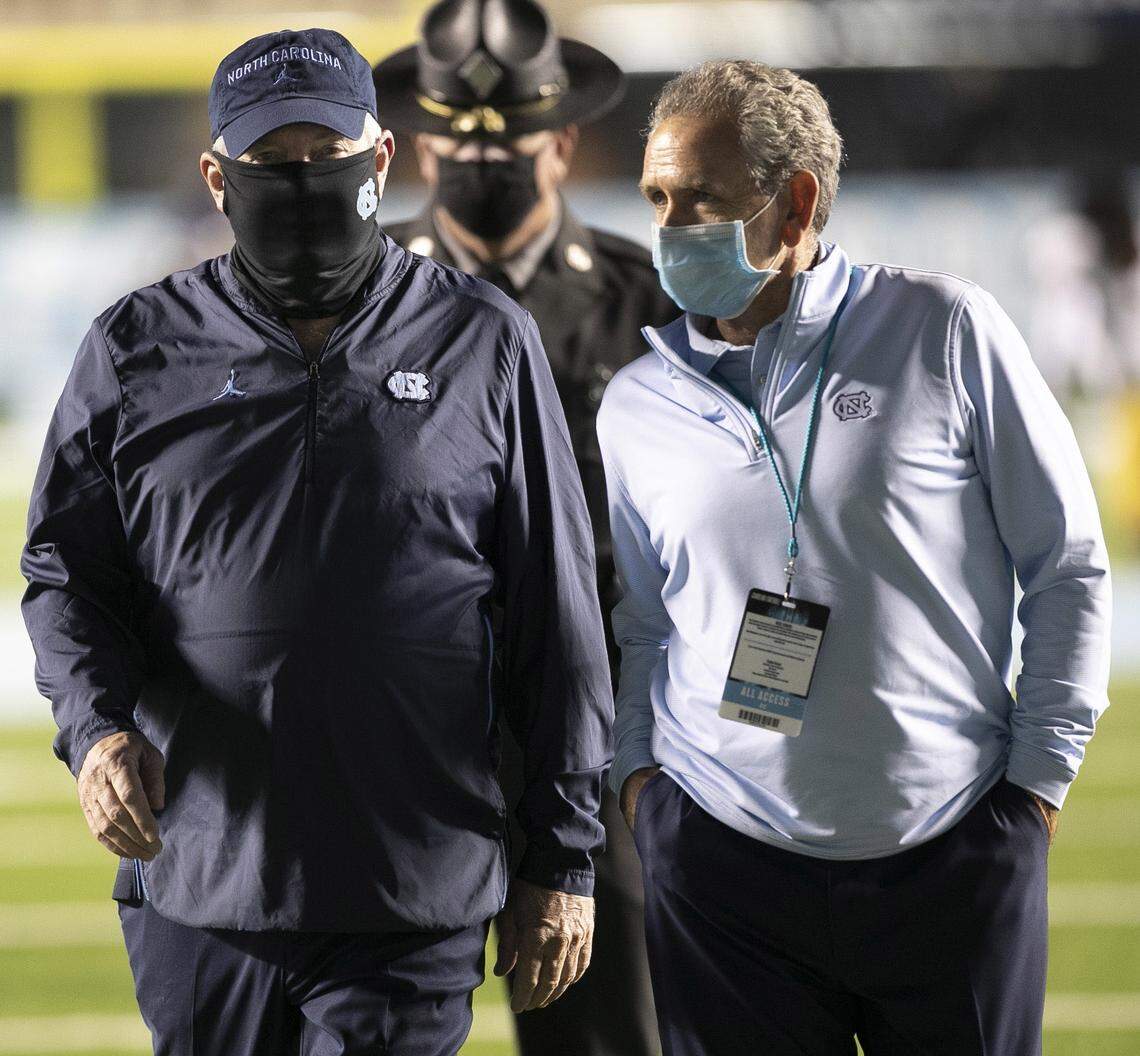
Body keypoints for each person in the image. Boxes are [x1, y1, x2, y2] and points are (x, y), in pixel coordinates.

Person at [21, 27, 613, 1056]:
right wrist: (95, 726)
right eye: (270, 167)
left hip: (412, 887)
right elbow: (65, 574)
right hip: (202, 883)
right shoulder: (135, 347)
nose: (303, 184)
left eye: (326, 160)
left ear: (381, 160)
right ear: (216, 177)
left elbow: (553, 618)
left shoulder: (482, 339)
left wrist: (562, 859)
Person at [598, 60, 1112, 1056]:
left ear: (796, 203)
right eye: (657, 198)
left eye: (698, 201)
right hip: (718, 871)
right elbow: (644, 624)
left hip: (948, 853)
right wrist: (642, 791)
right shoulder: (637, 405)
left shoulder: (944, 331)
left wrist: (1033, 791)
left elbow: (1070, 564)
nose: (668, 229)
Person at [373, 4, 674, 1055]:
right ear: (422, 146)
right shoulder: (354, 306)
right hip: (403, 743)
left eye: (509, 142)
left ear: (564, 141)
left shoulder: (652, 303)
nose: (482, 161)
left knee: (606, 1037)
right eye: (461, 142)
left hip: (596, 744)